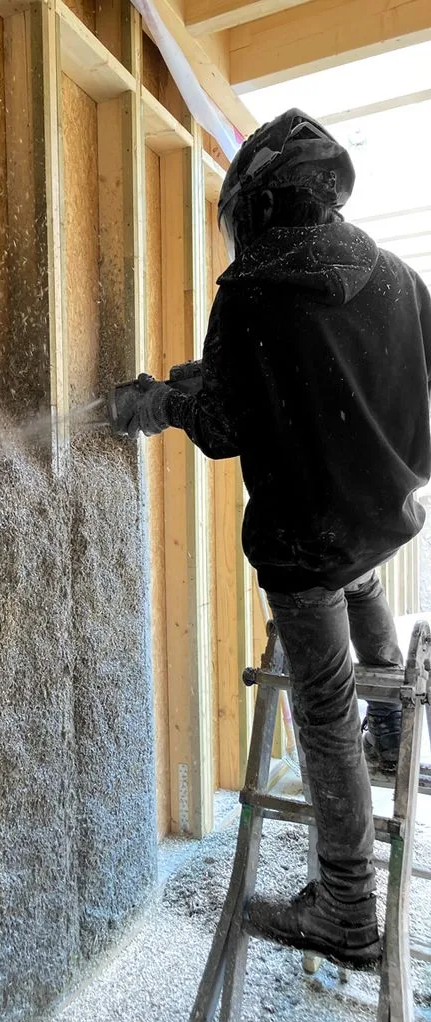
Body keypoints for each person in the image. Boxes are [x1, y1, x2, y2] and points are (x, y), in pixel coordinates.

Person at [109, 109, 431, 968]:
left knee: (322, 704)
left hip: (304, 546)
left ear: (258, 202)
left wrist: (155, 404)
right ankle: (393, 732)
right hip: (380, 518)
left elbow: (223, 423)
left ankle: (348, 907)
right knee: (363, 578)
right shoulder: (396, 278)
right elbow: (321, 376)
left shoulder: (252, 292)